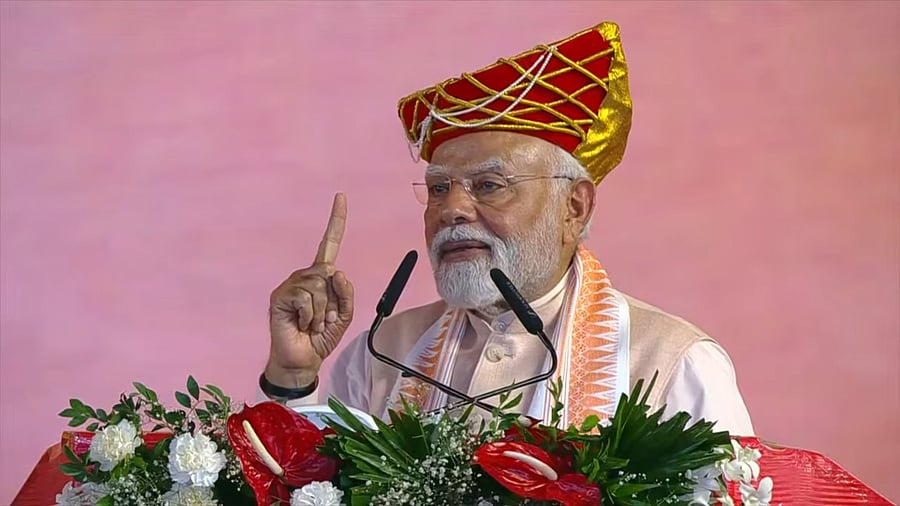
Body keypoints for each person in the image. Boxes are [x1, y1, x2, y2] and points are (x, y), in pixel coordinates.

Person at [258, 22, 754, 434]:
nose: (451, 209)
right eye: (437, 188)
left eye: (489, 185)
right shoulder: (382, 353)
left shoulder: (673, 364)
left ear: (574, 207)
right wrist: (293, 376)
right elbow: (309, 489)